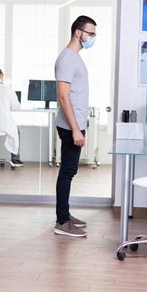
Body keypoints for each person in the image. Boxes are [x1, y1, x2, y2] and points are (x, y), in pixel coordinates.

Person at [53, 15, 97, 238]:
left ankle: (66, 215)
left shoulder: (75, 58)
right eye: (90, 33)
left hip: (76, 124)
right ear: (78, 32)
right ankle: (62, 221)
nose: (92, 38)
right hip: (71, 127)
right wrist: (76, 129)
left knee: (70, 171)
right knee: (67, 172)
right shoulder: (67, 59)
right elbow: (63, 97)